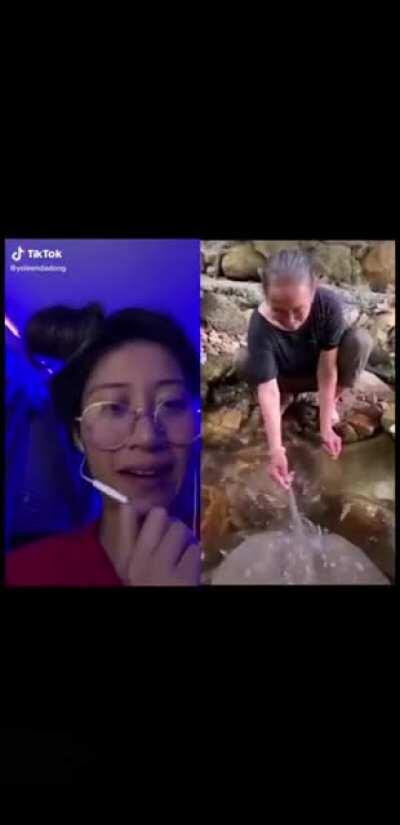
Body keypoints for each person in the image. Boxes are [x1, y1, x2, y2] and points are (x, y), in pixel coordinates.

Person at [6, 305, 201, 587]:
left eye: (171, 404)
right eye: (113, 408)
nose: (147, 437)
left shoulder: (244, 555)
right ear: (78, 435)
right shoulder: (21, 575)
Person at [237, 250, 373, 490]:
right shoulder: (259, 324)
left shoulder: (328, 306)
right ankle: (287, 398)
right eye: (279, 311)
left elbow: (327, 367)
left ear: (313, 291)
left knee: (360, 341)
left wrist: (325, 427)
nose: (290, 321)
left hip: (316, 373)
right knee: (243, 358)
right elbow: (267, 388)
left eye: (299, 310)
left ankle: (331, 402)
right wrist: (276, 450)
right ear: (266, 297)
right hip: (282, 378)